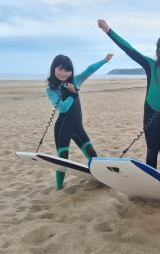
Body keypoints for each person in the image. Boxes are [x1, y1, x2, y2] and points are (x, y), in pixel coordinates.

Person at [97, 19, 160, 176]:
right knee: (152, 150)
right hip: (150, 111)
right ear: (159, 51)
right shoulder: (150, 64)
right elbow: (129, 49)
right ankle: (151, 180)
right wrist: (108, 30)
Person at [46, 53, 113, 189]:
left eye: (67, 70)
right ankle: (59, 187)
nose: (64, 73)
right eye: (60, 69)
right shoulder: (51, 89)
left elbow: (89, 70)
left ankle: (104, 179)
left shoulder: (76, 81)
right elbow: (63, 108)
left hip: (77, 127)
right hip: (62, 129)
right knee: (62, 159)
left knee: (91, 153)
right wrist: (72, 93)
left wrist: (105, 60)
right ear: (54, 68)